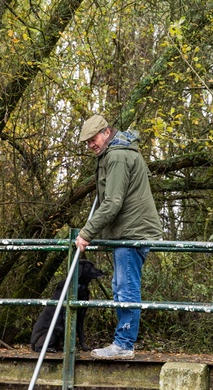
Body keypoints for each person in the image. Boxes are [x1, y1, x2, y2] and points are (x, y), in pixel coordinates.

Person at [75, 115, 163, 359]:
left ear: (105, 133)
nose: (90, 145)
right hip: (129, 231)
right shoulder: (115, 153)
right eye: (87, 142)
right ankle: (123, 342)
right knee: (121, 286)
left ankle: (124, 344)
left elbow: (114, 202)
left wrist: (87, 233)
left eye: (92, 139)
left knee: (126, 289)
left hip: (131, 232)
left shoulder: (117, 156)